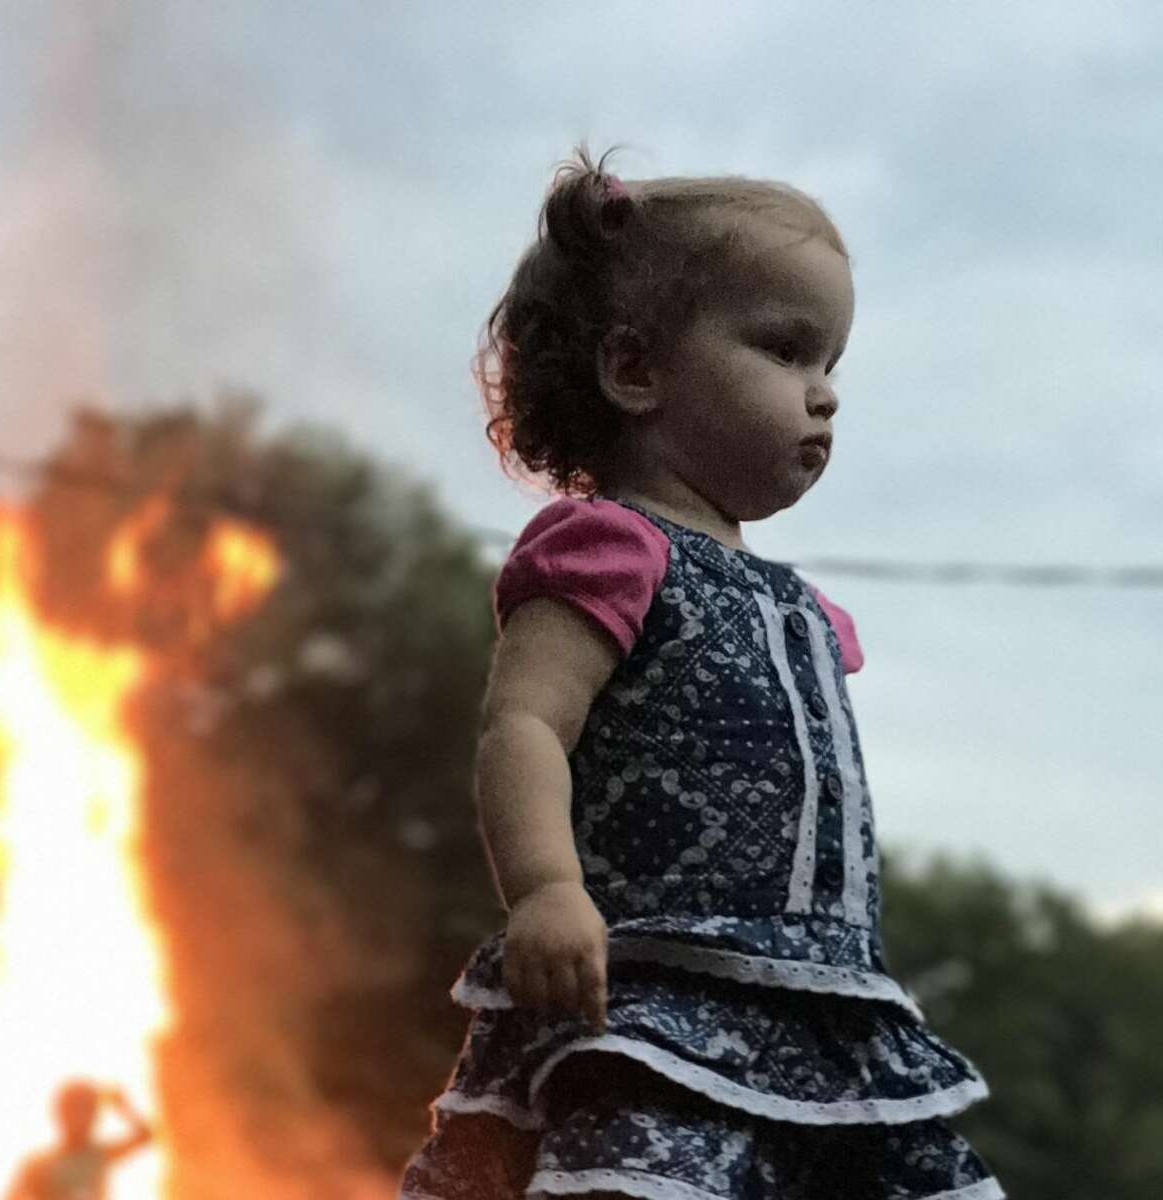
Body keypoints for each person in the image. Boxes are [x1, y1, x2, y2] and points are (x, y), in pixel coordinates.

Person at [398, 150, 1002, 1199]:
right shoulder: (609, 547)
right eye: (784, 349)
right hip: (658, 1001)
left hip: (826, 1012)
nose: (823, 396)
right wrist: (547, 889)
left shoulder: (806, 610)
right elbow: (525, 726)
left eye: (833, 366)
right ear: (635, 370)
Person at [3, 1081, 153, 1200]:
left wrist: (124, 1107)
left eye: (89, 1110)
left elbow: (146, 1137)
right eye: (76, 1111)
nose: (83, 1119)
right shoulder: (38, 1165)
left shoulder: (101, 1155)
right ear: (60, 1113)